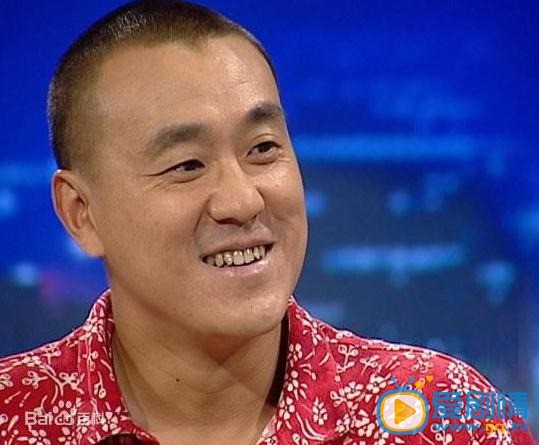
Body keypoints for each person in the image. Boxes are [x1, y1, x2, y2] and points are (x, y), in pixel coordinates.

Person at [0, 1, 535, 444]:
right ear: (81, 213)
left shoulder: (444, 416)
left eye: (262, 148)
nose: (242, 200)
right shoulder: (14, 415)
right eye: (187, 165)